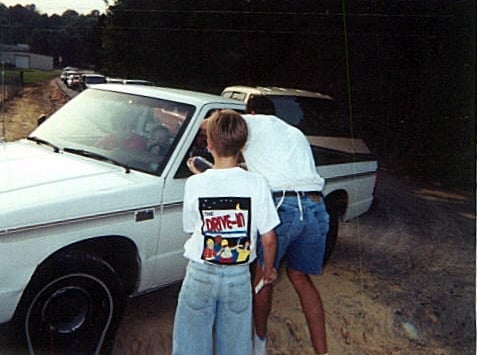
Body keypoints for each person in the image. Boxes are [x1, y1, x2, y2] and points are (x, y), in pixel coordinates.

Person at [172, 110, 280, 355]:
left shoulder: (195, 183)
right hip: (239, 276)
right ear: (243, 146)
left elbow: (190, 226)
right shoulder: (257, 183)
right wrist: (269, 270)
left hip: (200, 273)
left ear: (209, 144)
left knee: (189, 345)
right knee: (235, 347)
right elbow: (270, 238)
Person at [243, 95, 330, 355]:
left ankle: (258, 347)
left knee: (262, 278)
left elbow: (212, 126)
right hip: (316, 206)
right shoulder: (295, 132)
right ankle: (322, 352)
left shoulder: (252, 123)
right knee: (300, 278)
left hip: (283, 206)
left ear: (251, 111)